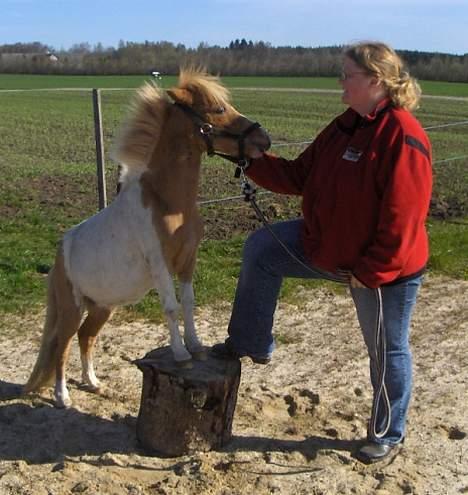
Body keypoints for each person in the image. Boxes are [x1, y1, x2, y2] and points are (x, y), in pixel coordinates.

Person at [212, 41, 433, 464]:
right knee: (262, 249)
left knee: (386, 349)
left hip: (385, 271)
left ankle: (387, 434)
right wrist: (246, 158)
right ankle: (250, 341)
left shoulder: (403, 136)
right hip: (331, 248)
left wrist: (369, 272)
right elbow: (300, 174)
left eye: (347, 74)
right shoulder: (345, 125)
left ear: (375, 80)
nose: (340, 82)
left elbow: (402, 222)